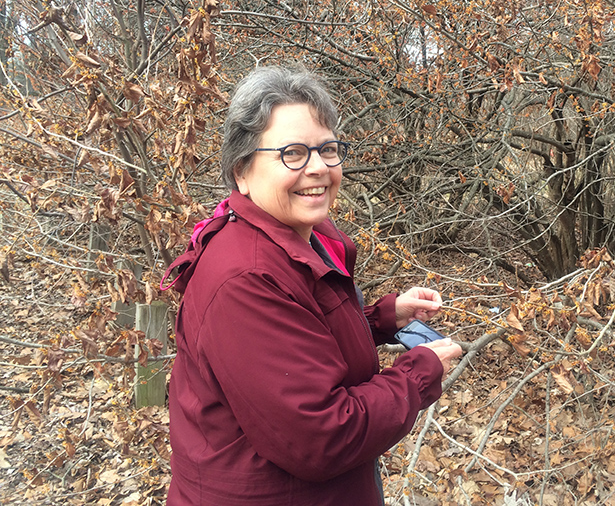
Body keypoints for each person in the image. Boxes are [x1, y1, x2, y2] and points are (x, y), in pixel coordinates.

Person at [161, 65, 462, 505]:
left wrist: (381, 319)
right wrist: (418, 374)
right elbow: (322, 437)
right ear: (242, 171)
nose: (318, 168)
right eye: (293, 153)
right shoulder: (244, 279)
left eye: (327, 149)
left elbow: (300, 337)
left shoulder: (299, 237)